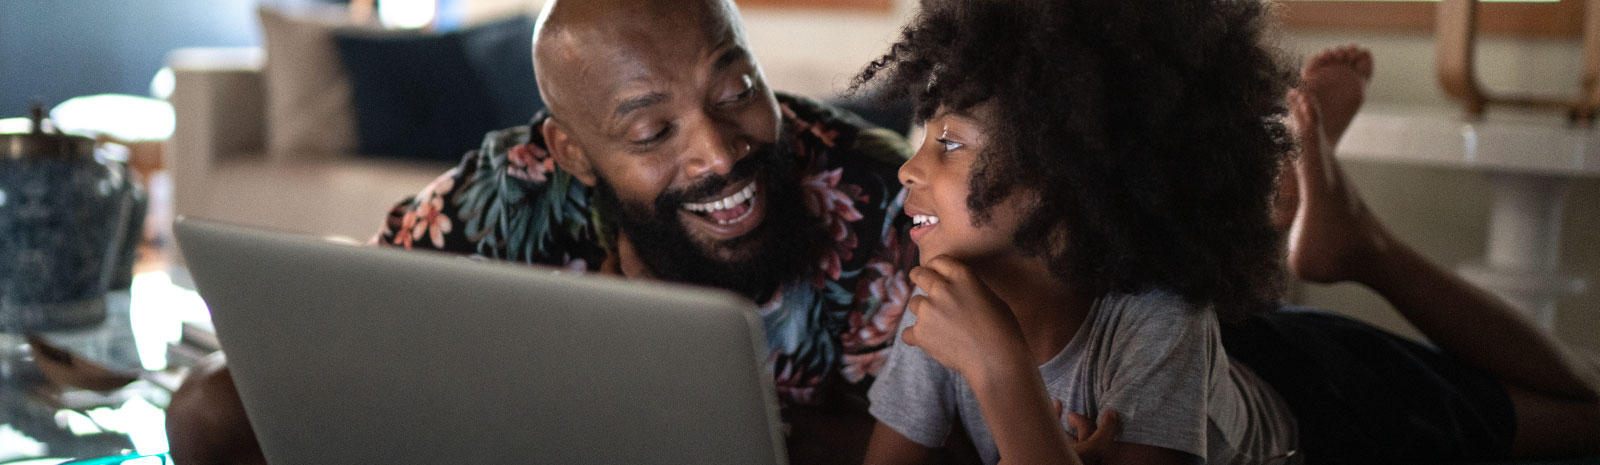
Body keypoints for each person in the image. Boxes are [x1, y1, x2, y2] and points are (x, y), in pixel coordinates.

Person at [172, 1, 918, 464]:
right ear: (571, 153)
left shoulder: (877, 192)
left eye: (736, 90)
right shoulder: (515, 184)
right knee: (208, 409)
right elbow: (361, 324)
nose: (719, 153)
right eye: (653, 130)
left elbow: (962, 441)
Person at [854, 0, 1299, 463]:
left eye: (950, 142)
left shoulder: (1160, 320)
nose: (908, 170)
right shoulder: (944, 300)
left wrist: (998, 366)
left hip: (1325, 409)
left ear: (1067, 172)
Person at [1225, 45, 1600, 463]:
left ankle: (1319, 222)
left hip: (1247, 330)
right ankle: (1342, 230)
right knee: (1591, 403)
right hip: (1286, 367)